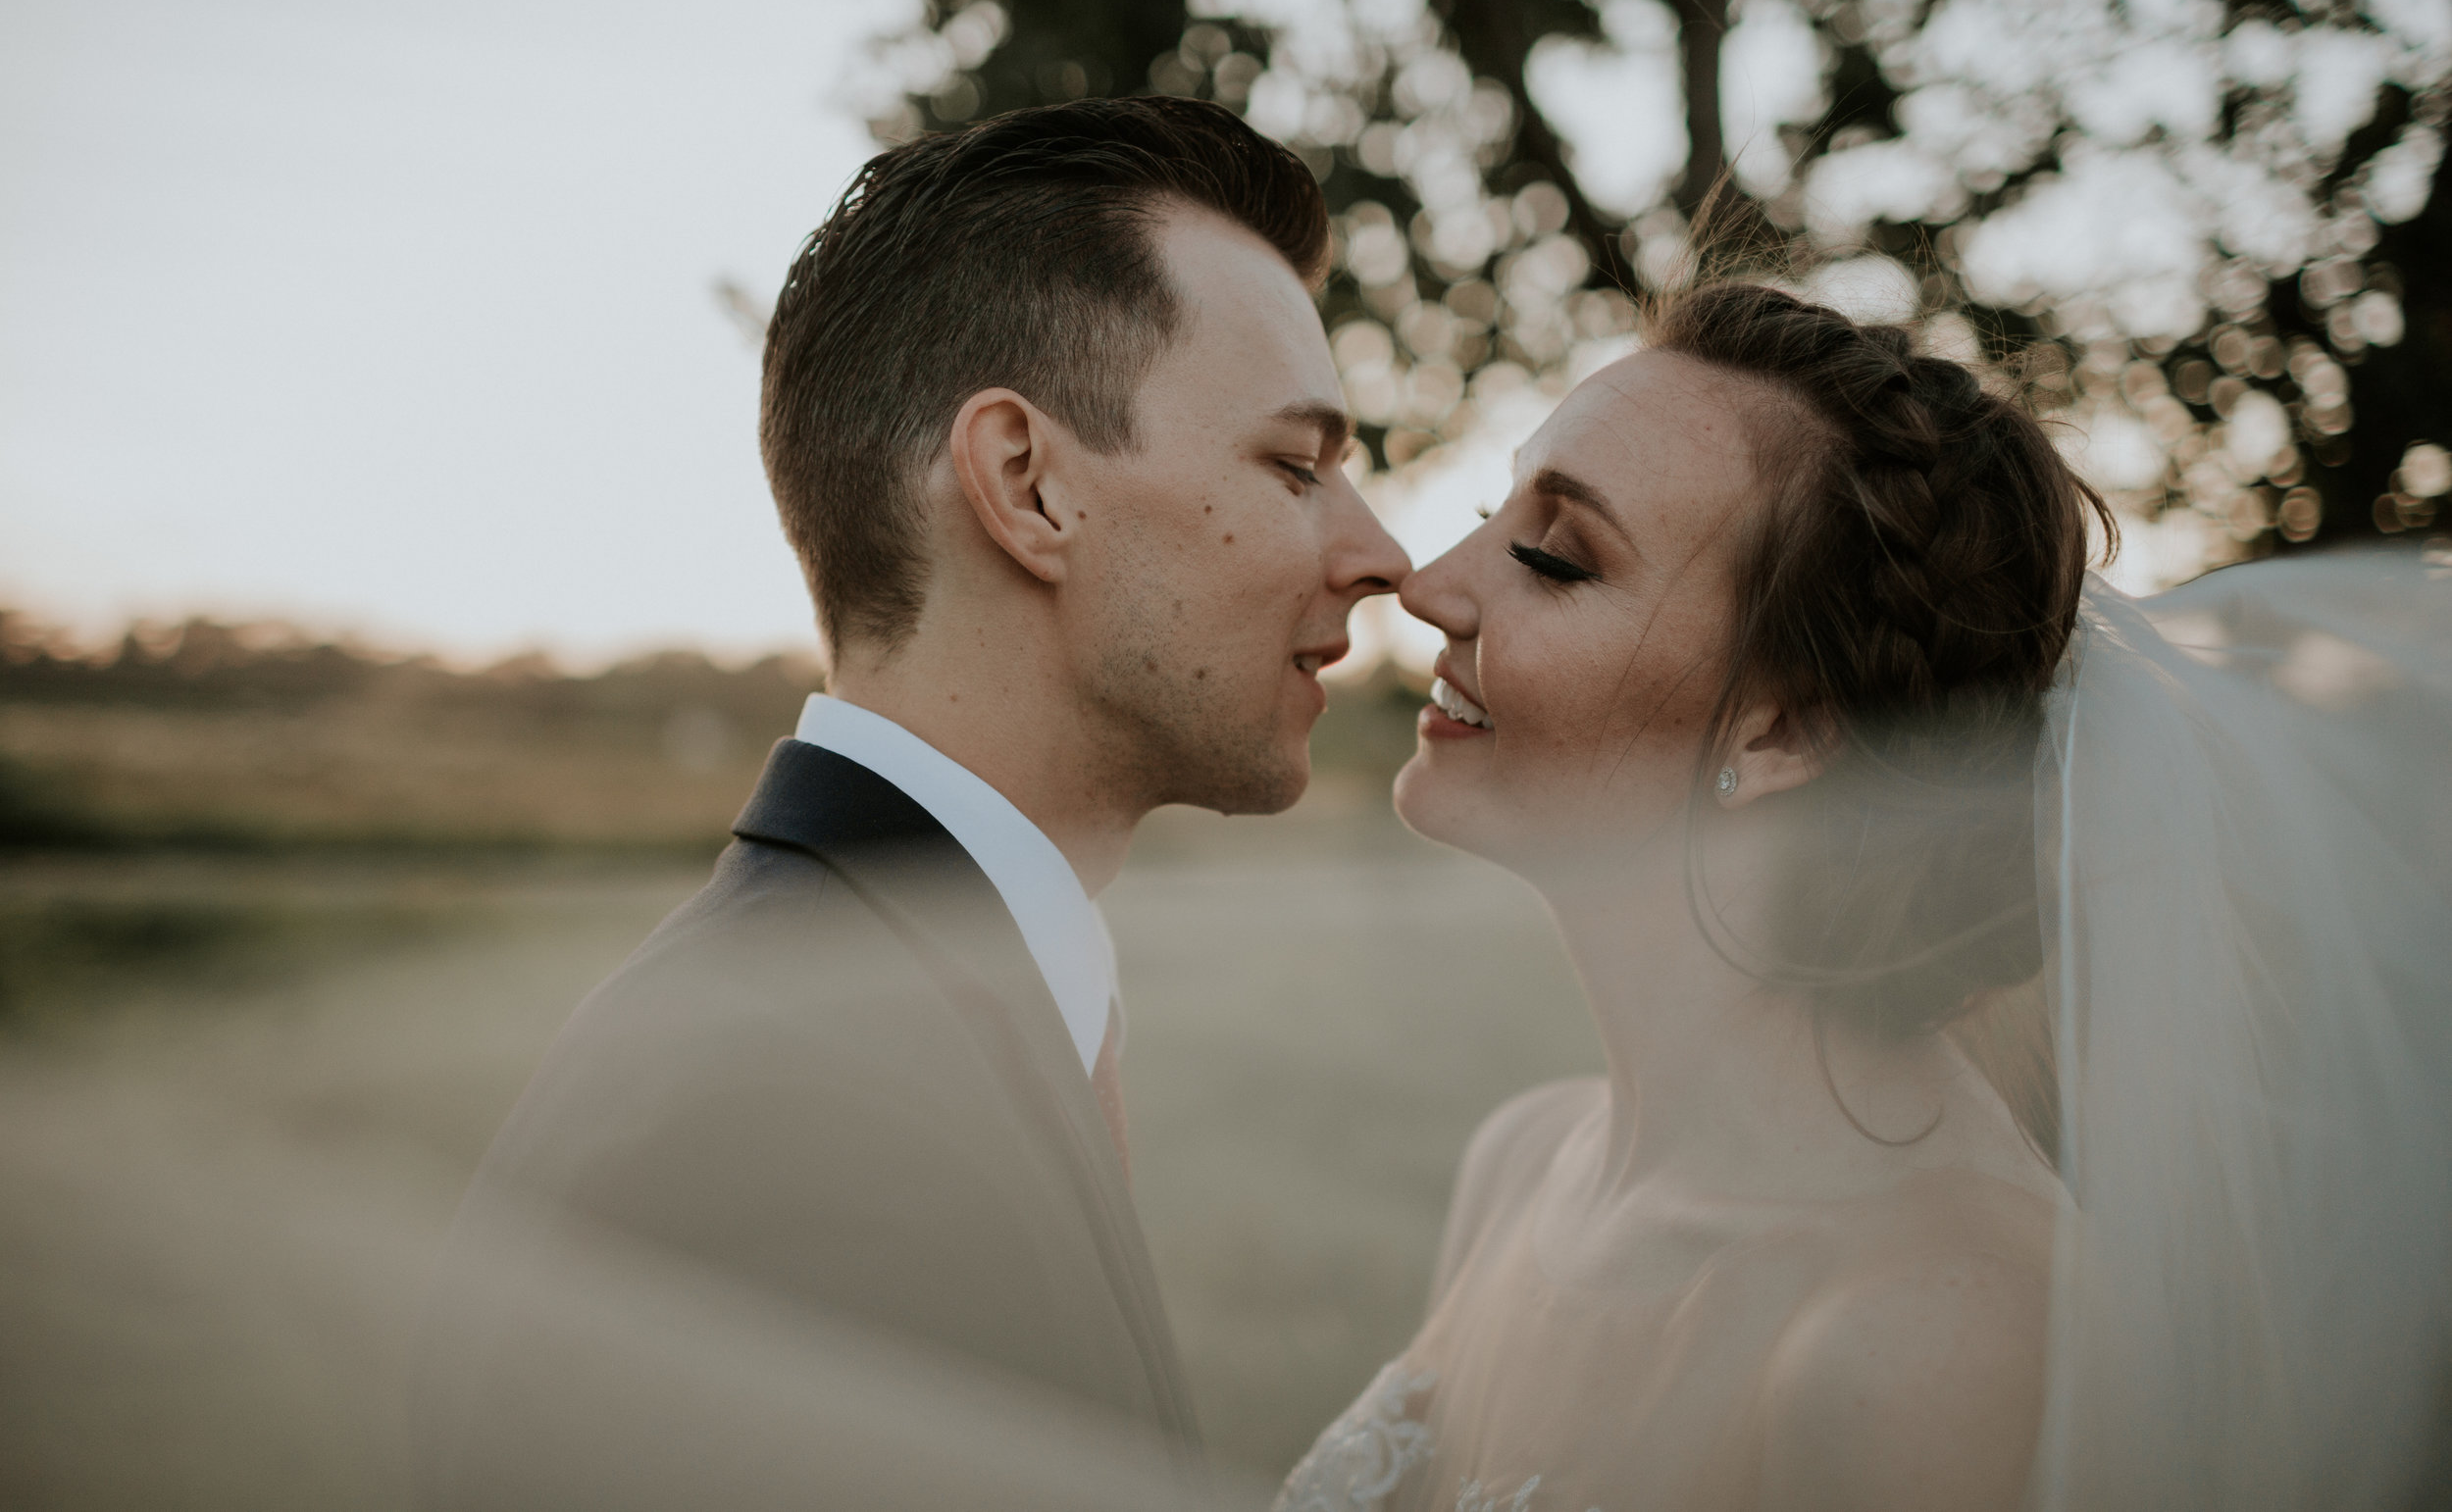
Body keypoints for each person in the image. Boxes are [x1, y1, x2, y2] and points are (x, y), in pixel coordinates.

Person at [1278, 279, 2452, 1512]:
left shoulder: (1934, 1348)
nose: (1424, 584)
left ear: (1785, 730)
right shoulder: (1519, 1164)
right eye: (1487, 511)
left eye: (1550, 557)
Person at [414, 95, 1407, 1507]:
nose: (1380, 551)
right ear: (1027, 484)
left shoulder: (886, 997)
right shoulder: (793, 1131)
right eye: (1296, 464)